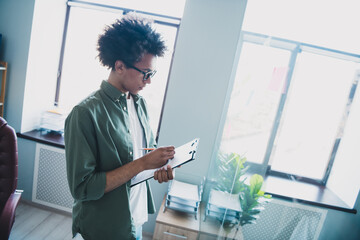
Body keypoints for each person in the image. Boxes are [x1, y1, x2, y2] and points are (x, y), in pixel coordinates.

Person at [64, 14, 175, 240]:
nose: (149, 81)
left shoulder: (139, 104)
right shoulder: (85, 113)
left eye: (152, 73)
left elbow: (145, 153)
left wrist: (159, 165)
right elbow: (81, 188)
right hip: (101, 229)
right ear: (120, 66)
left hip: (135, 220)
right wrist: (142, 163)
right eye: (145, 73)